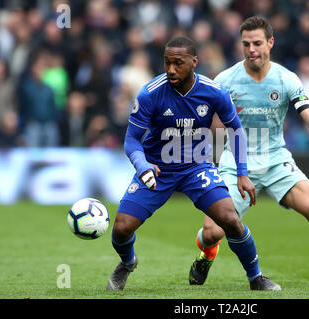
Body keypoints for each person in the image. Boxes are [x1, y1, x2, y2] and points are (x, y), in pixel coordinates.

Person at [188, 16, 309, 287]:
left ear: (270, 43)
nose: (251, 49)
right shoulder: (226, 80)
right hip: (236, 161)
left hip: (276, 158)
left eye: (257, 43)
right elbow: (204, 122)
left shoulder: (286, 79)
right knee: (211, 231)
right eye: (246, 44)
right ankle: (206, 254)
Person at [107, 36, 281, 291]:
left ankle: (256, 278)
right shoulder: (150, 93)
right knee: (121, 228)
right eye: (167, 63)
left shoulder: (214, 92)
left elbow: (236, 131)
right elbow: (132, 140)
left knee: (230, 219)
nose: (170, 69)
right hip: (158, 168)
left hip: (196, 167)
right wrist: (142, 166)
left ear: (194, 62)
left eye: (178, 63)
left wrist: (242, 173)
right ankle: (127, 262)